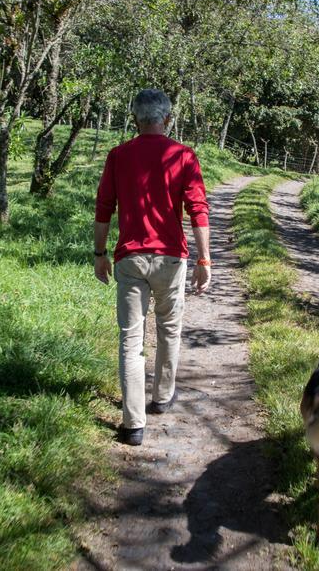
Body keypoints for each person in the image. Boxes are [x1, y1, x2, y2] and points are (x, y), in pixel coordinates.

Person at [93, 88, 211, 446]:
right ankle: (162, 397)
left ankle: (133, 424)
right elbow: (198, 210)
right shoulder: (183, 156)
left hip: (129, 258)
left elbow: (104, 208)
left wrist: (100, 253)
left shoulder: (119, 155)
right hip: (171, 259)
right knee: (168, 329)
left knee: (131, 338)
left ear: (135, 119)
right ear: (168, 119)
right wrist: (204, 259)